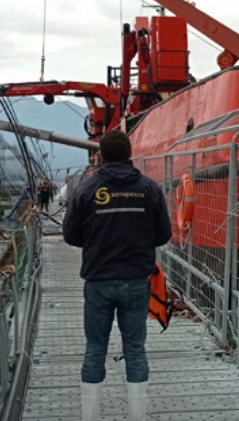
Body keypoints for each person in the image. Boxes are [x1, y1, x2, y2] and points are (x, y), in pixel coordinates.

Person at [62, 129, 172, 421]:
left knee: (94, 349)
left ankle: (90, 415)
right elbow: (164, 235)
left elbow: (71, 235)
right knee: (135, 349)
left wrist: (99, 240)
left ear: (100, 155)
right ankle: (137, 415)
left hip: (98, 280)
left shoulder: (86, 189)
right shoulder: (149, 188)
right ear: (129, 153)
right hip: (137, 280)